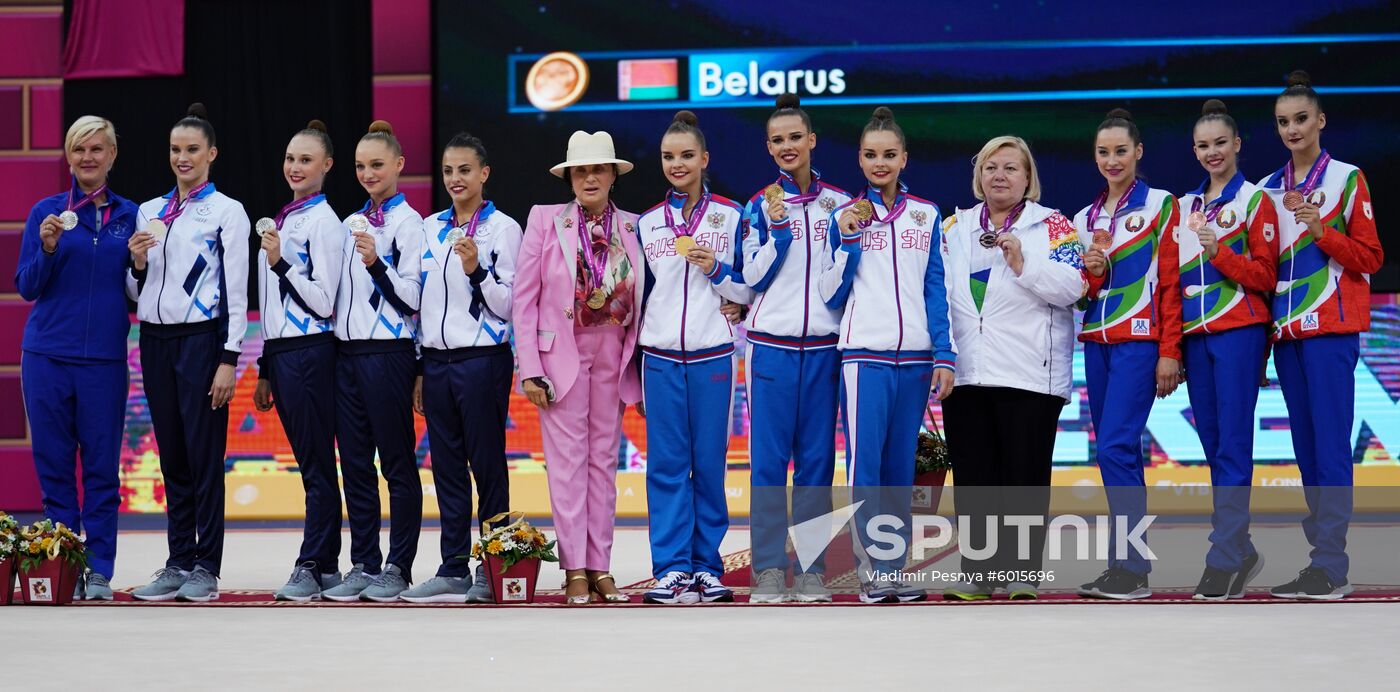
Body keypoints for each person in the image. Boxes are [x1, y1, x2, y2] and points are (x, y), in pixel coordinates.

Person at [938, 136, 1086, 601]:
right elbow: (937, 295)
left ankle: (1021, 575)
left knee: (1023, 476)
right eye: (990, 167)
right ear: (978, 176)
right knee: (975, 477)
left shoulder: (1054, 225)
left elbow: (1074, 285)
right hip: (967, 372)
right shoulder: (953, 227)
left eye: (1010, 168)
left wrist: (1023, 262)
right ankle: (980, 576)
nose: (999, 175)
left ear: (1028, 178)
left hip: (1029, 374)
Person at [818, 107, 954, 604]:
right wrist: (849, 240)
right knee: (865, 469)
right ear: (859, 159)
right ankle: (870, 570)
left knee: (900, 468)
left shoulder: (926, 213)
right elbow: (830, 293)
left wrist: (944, 355)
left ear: (903, 158)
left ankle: (894, 568)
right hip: (863, 357)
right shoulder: (842, 217)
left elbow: (935, 289)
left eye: (889, 154)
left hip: (915, 360)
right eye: (871, 155)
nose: (881, 163)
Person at [1261, 71, 1382, 600]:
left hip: (1331, 329)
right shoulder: (1267, 188)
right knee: (1307, 448)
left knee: (1331, 446)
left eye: (1301, 119)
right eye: (1284, 122)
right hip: (1286, 335)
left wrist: (1321, 231)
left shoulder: (1348, 180)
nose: (1293, 129)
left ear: (1321, 120)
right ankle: (1321, 561)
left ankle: (1332, 564)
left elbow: (1371, 258)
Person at [126, 104, 250, 602]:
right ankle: (178, 559)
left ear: (211, 154)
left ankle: (206, 566)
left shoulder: (227, 212)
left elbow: (238, 292)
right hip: (153, 341)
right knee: (172, 456)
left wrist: (228, 357)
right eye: (176, 150)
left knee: (203, 457)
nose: (183, 158)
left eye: (192, 150)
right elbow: (139, 292)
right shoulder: (149, 211)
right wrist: (135, 263)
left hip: (202, 341)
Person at [513, 130, 642, 605]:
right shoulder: (545, 221)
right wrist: (529, 366)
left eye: (598, 169)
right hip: (560, 356)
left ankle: (602, 567)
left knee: (604, 463)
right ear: (569, 178)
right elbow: (523, 301)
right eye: (581, 170)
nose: (590, 177)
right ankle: (574, 570)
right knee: (568, 467)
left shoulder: (633, 226)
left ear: (612, 175)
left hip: (614, 350)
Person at [16, 115, 139, 601]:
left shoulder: (131, 216)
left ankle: (100, 571)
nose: (87, 157)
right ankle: (64, 563)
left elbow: (138, 289)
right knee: (55, 468)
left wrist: (141, 263)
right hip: (46, 356)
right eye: (78, 149)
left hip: (104, 362)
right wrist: (46, 249)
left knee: (103, 471)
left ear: (112, 155)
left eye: (97, 149)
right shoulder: (46, 213)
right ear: (68, 156)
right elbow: (26, 286)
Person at [398, 133, 522, 604]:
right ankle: (452, 567)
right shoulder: (427, 229)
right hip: (435, 361)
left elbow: (511, 304)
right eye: (449, 171)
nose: (455, 179)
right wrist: (419, 368)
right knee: (446, 468)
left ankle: (492, 567)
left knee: (487, 465)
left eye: (465, 170)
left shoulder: (505, 229)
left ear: (484, 174)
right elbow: (418, 303)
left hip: (482, 360)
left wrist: (476, 271)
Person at [635, 111, 753, 604]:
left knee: (709, 464)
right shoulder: (646, 224)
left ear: (705, 159)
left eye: (687, 155)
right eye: (669, 157)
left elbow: (750, 288)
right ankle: (670, 569)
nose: (677, 164)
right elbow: (640, 295)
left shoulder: (732, 215)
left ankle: (706, 567)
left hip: (713, 355)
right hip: (660, 356)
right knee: (665, 465)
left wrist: (717, 269)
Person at [741, 93, 852, 603]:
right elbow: (752, 277)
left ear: (811, 141)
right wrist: (779, 229)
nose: (788, 147)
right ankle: (767, 568)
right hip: (771, 347)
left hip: (825, 347)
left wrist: (847, 245)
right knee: (767, 463)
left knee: (815, 464)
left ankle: (809, 569)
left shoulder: (841, 206)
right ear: (768, 147)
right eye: (778, 140)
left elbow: (839, 282)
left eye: (795, 138)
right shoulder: (758, 206)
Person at [1074, 108, 1183, 600]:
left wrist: (1169, 351)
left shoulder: (1163, 206)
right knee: (1116, 452)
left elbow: (1174, 284)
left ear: (1138, 152)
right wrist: (1091, 273)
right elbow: (1083, 294)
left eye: (1121, 151)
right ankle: (1125, 564)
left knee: (1117, 446)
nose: (1112, 160)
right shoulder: (1085, 218)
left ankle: (1133, 567)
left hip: (1140, 343)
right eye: (1103, 152)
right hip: (1097, 344)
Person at [1176, 99, 1279, 600]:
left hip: (1239, 333)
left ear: (1237, 144)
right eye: (1203, 145)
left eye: (1221, 143)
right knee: (1215, 447)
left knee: (1234, 444)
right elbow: (1173, 284)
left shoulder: (1257, 201)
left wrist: (1223, 254)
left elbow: (1266, 276)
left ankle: (1223, 554)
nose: (1212, 152)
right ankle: (1238, 548)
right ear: (1194, 151)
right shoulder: (1186, 207)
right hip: (1196, 340)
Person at [321, 120, 425, 603]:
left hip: (389, 354)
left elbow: (412, 300)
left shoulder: (412, 224)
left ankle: (398, 566)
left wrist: (376, 263)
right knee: (355, 464)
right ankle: (363, 562)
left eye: (377, 165)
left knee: (397, 465)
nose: (368, 173)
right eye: (361, 166)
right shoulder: (348, 223)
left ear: (398, 166)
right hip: (347, 354)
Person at [253, 120, 347, 601]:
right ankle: (326, 564)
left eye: (305, 159)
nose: (295, 167)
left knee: (315, 465)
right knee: (310, 462)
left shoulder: (325, 223)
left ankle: (311, 563)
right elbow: (273, 308)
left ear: (326, 166)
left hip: (313, 350)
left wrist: (280, 263)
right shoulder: (286, 218)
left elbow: (325, 300)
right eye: (290, 158)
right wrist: (267, 367)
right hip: (285, 353)